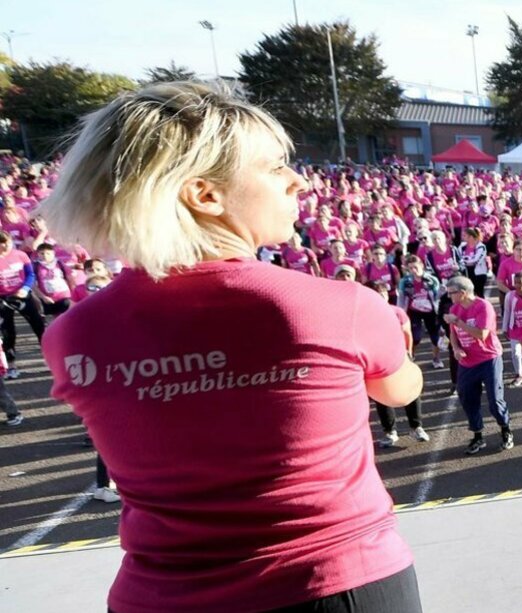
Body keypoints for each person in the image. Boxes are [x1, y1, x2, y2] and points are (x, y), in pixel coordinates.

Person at [35, 81, 426, 612]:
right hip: (330, 583)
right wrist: (392, 334)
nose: (298, 181)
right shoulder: (337, 306)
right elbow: (400, 391)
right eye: (274, 167)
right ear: (205, 194)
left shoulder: (71, 335)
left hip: (159, 596)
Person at [445, 275, 514, 455]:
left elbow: (482, 334)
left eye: (451, 293)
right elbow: (453, 333)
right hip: (467, 362)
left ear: (462, 293)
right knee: (468, 399)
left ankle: (505, 429)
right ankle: (477, 435)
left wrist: (457, 321)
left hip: (488, 359)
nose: (449, 297)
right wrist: (456, 348)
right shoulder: (454, 308)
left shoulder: (483, 307)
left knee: (494, 401)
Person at [368, 281, 427, 447]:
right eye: (378, 294)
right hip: (379, 361)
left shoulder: (397, 312)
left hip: (400, 357)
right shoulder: (365, 314)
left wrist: (408, 353)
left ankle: (416, 427)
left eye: (384, 293)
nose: (382, 297)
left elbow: (407, 333)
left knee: (411, 391)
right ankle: (390, 431)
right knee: (382, 396)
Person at [0, 232, 47, 369]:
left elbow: (30, 274)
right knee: (8, 332)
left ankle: (49, 357)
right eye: (2, 243)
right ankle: (11, 365)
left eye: (8, 242)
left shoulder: (20, 255)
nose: (6, 245)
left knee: (39, 326)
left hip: (22, 295)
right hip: (3, 299)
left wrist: (25, 288)